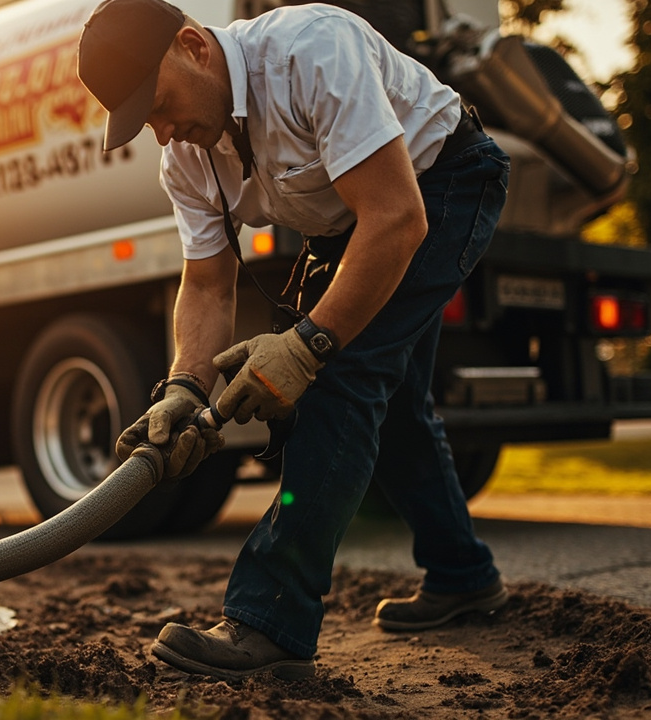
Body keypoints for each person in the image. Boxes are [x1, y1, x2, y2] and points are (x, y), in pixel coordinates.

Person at [77, 0, 511, 682]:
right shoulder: (187, 158)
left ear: (192, 46)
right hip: (350, 224)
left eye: (158, 105)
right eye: (143, 123)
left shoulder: (310, 51)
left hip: (443, 182)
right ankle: (463, 576)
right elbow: (209, 286)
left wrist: (308, 345)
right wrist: (185, 388)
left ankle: (269, 621)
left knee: (338, 376)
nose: (162, 134)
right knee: (390, 401)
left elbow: (396, 217)